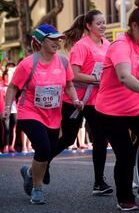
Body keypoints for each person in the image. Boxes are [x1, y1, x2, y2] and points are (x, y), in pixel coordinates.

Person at [95, 0, 139, 211]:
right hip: (111, 112)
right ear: (134, 26)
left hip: (136, 108)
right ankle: (125, 198)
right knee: (125, 155)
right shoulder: (120, 46)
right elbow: (125, 77)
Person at [3, 24, 83, 204]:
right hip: (29, 112)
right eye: (52, 39)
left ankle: (30, 172)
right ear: (40, 42)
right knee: (44, 148)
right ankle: (37, 189)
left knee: (47, 151)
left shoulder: (63, 61)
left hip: (53, 116)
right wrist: (7, 109)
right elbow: (13, 87)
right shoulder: (28, 64)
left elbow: (69, 85)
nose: (57, 42)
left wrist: (76, 100)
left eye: (58, 39)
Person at [46, 10, 113, 195]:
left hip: (96, 100)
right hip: (74, 99)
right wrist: (94, 78)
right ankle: (43, 163)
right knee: (68, 138)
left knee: (100, 138)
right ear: (88, 26)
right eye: (98, 23)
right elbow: (73, 75)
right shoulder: (81, 46)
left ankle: (99, 183)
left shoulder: (107, 44)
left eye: (104, 22)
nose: (103, 26)